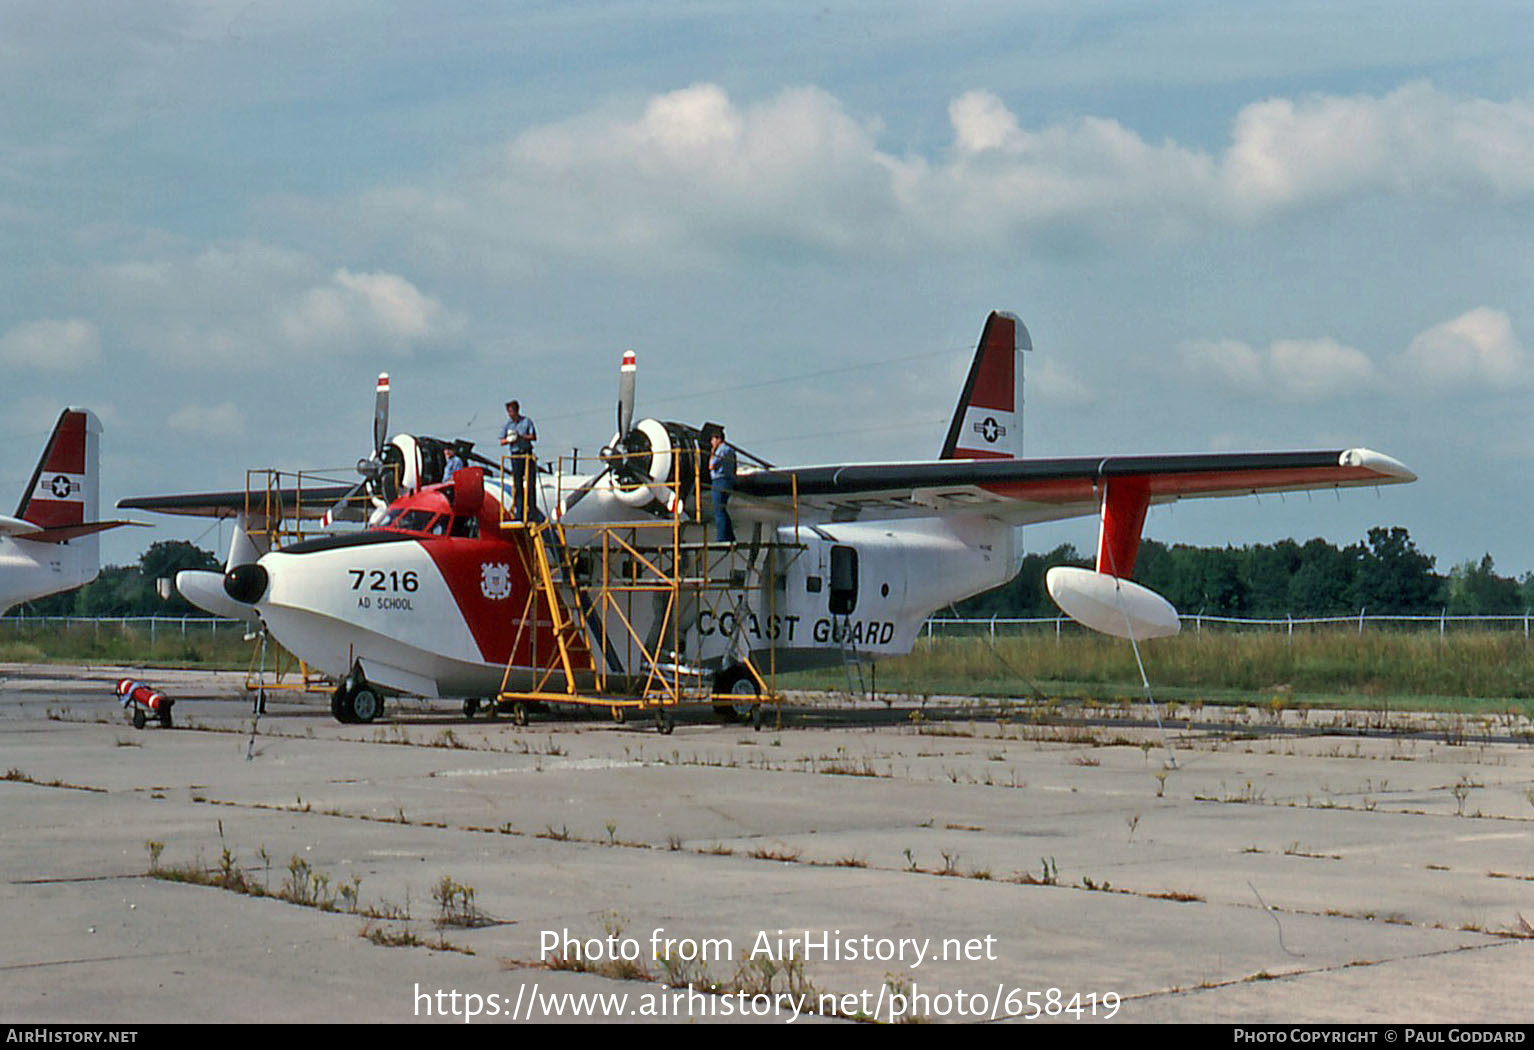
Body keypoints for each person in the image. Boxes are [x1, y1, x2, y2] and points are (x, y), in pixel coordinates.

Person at [499, 400, 539, 522]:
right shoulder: (508, 425)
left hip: (526, 455)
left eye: (511, 411)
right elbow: (501, 441)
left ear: (516, 410)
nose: (510, 414)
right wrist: (510, 439)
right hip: (515, 456)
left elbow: (533, 437)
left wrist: (521, 436)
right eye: (508, 412)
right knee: (517, 485)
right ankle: (519, 512)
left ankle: (532, 512)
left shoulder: (526, 422)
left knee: (530, 484)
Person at [707, 424, 737, 543]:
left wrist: (712, 452)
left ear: (718, 439)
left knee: (718, 509)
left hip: (719, 480)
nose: (711, 442)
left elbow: (711, 465)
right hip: (728, 480)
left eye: (713, 440)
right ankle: (729, 535)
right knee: (722, 508)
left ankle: (722, 537)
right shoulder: (730, 450)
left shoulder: (721, 451)